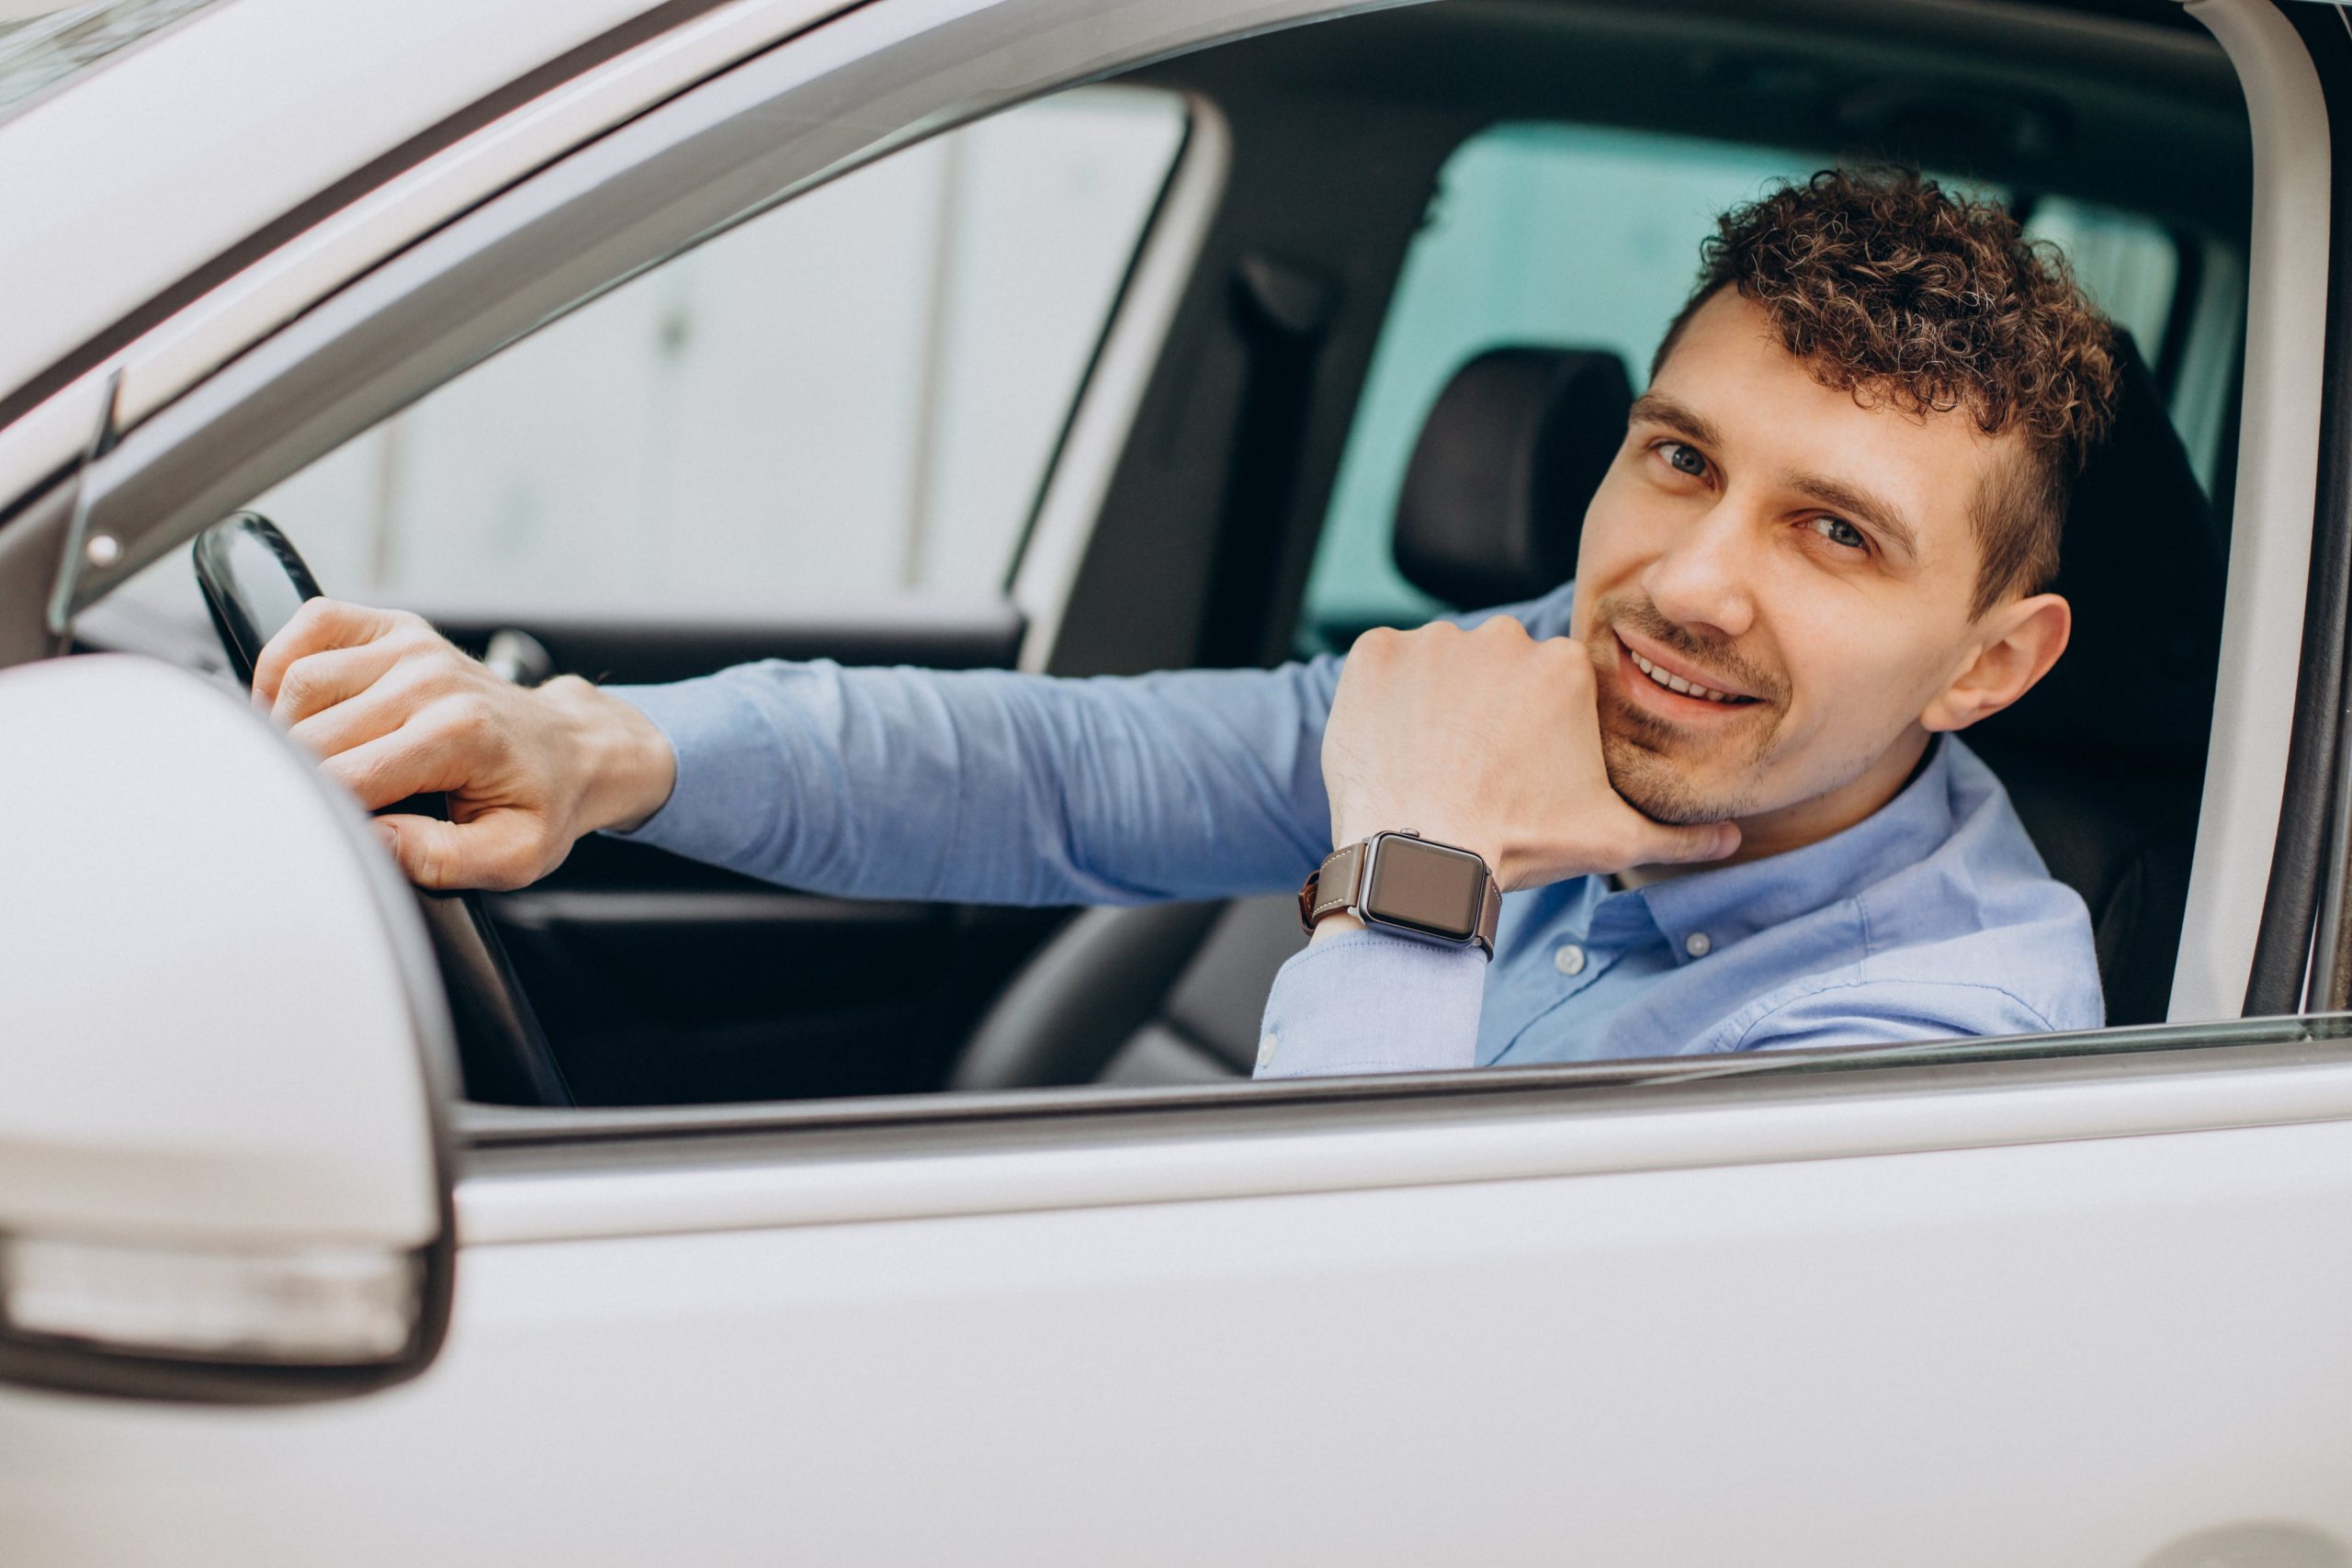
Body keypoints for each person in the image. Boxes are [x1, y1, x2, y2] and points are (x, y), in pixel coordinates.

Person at [253, 167, 2120, 1078]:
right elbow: (1079, 770)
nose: (1689, 578)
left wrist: (1412, 863)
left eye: (1830, 533)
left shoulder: (1932, 1045)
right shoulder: (1579, 657)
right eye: (1671, 457)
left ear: (1986, 661)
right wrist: (596, 745)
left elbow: (1327, 1364)